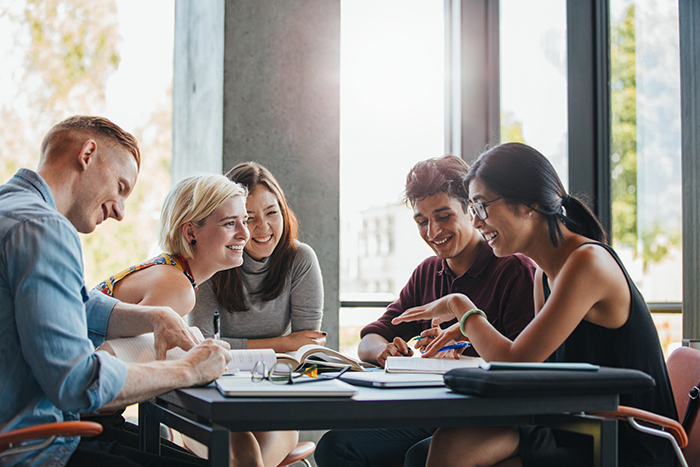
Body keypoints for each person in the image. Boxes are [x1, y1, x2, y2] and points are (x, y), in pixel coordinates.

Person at [392, 142, 678, 467]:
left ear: (529, 204)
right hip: (576, 424)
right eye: (472, 209)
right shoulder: (543, 274)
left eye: (482, 207)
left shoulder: (587, 263)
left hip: (625, 439)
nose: (476, 221)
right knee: (442, 445)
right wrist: (468, 330)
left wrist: (461, 307)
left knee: (448, 450)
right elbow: (531, 369)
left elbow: (514, 362)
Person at [0, 115, 232, 467]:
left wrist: (155, 316)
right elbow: (78, 382)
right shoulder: (45, 228)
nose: (121, 212)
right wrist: (189, 369)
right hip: (35, 447)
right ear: (88, 154)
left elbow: (71, 301)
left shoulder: (12, 212)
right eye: (121, 187)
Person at [315, 154, 537, 467]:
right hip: (437, 413)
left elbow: (522, 368)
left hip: (495, 418)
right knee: (335, 446)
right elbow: (371, 338)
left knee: (419, 455)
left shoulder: (513, 269)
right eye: (422, 221)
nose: (432, 232)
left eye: (444, 217)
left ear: (472, 211)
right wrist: (385, 352)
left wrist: (461, 360)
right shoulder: (428, 272)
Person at [96, 173, 299, 467]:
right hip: (81, 427)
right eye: (231, 223)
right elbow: (115, 367)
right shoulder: (176, 287)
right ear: (191, 232)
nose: (246, 233)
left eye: (244, 220)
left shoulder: (170, 272)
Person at [189, 161, 326, 353]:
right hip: (224, 372)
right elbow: (202, 344)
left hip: (282, 372)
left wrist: (291, 344)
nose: (263, 227)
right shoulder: (211, 259)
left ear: (283, 212)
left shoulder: (300, 258)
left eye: (271, 212)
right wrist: (284, 343)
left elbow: (306, 343)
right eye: (249, 218)